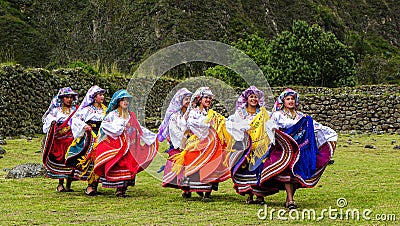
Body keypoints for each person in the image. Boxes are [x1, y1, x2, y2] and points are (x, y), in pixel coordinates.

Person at [265, 88, 338, 209]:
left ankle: (289, 198)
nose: (290, 101)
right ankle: (290, 200)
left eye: (292, 99)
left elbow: (316, 128)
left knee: (296, 173)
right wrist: (277, 137)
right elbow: (271, 127)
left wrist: (329, 135)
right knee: (288, 170)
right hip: (284, 149)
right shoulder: (277, 115)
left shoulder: (302, 117)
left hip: (300, 149)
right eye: (288, 99)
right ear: (283, 101)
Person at [93, 90, 158, 197]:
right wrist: (120, 128)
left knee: (128, 166)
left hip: (131, 146)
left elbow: (138, 128)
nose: (125, 102)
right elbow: (105, 126)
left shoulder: (131, 115)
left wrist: (152, 136)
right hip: (117, 145)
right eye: (123, 99)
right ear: (118, 101)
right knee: (117, 164)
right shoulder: (112, 115)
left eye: (127, 100)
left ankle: (122, 189)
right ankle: (109, 186)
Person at [170, 87, 231, 201]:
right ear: (200, 99)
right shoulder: (194, 112)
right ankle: (188, 188)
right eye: (206, 98)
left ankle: (207, 191)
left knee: (214, 162)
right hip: (198, 140)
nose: (208, 100)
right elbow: (192, 123)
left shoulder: (209, 112)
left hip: (212, 141)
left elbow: (218, 122)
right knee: (190, 158)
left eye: (209, 98)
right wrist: (207, 123)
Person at [226, 86, 280, 204]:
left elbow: (271, 122)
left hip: (260, 146)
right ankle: (249, 194)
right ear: (246, 99)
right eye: (251, 96)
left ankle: (260, 196)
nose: (254, 99)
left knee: (259, 169)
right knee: (245, 169)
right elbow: (231, 123)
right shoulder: (240, 113)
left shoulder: (263, 113)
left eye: (256, 97)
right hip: (246, 145)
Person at [65, 85, 106, 196]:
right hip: (90, 136)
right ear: (94, 97)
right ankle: (88, 186)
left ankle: (95, 185)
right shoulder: (87, 110)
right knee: (89, 158)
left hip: (102, 136)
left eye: (102, 95)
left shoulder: (105, 109)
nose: (102, 97)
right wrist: (85, 126)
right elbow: (76, 119)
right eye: (100, 95)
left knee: (101, 158)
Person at [157, 88, 194, 197]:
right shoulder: (174, 117)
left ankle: (196, 186)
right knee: (182, 166)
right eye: (186, 99)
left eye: (189, 99)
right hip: (180, 145)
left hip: (193, 143)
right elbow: (174, 131)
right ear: (180, 101)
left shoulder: (193, 114)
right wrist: (184, 140)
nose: (188, 101)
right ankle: (185, 189)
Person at [42, 87, 79, 192]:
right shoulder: (56, 111)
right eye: (67, 97)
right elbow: (49, 122)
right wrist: (53, 123)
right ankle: (60, 183)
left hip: (73, 138)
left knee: (72, 160)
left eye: (71, 97)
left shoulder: (76, 110)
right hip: (60, 139)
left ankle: (69, 184)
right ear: (62, 98)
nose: (69, 99)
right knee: (61, 160)